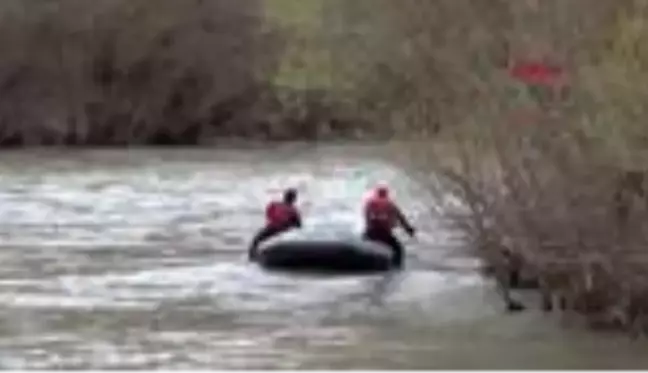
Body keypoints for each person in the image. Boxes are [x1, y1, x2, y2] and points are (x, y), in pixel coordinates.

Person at [362, 184, 415, 267]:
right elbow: (401, 219)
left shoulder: (369, 203)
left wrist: (368, 229)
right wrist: (409, 230)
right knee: (398, 249)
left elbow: (366, 218)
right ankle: (397, 267)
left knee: (362, 243)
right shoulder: (390, 204)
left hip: (371, 233)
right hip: (385, 234)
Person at [248, 188, 302, 260]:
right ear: (294, 199)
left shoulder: (274, 204)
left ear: (284, 196)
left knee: (256, 240)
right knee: (258, 240)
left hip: (272, 228)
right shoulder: (293, 210)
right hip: (283, 231)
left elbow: (269, 214)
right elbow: (298, 225)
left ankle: (252, 256)